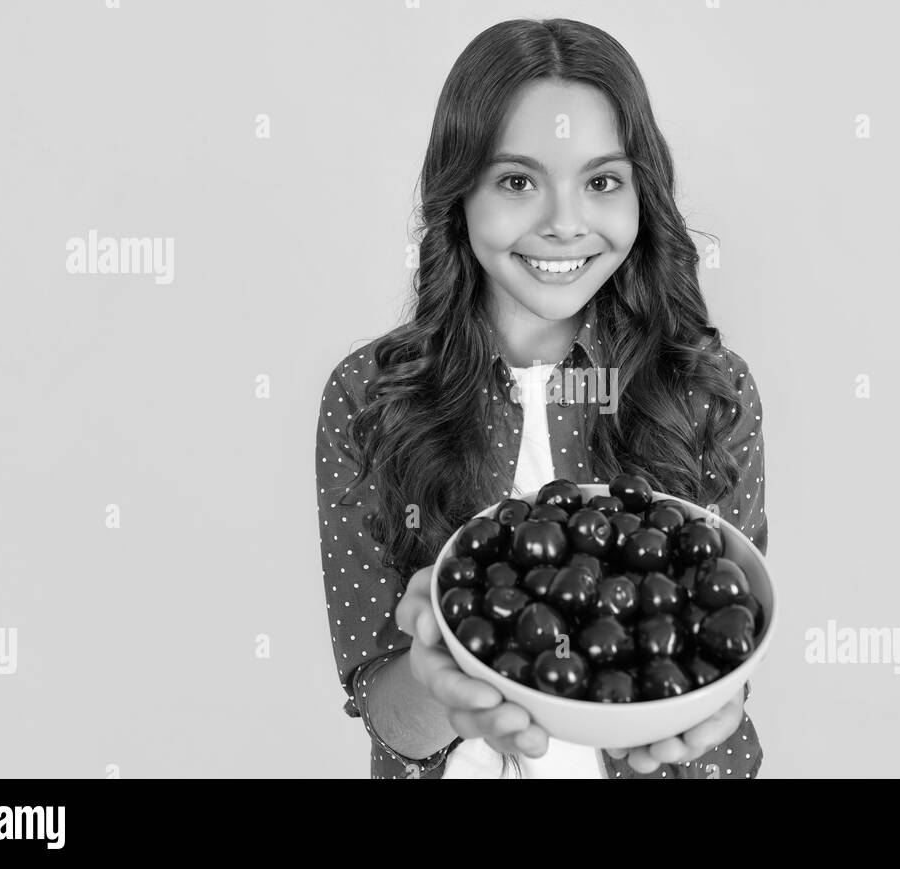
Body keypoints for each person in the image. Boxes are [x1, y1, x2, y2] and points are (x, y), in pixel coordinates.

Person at [316, 17, 768, 779]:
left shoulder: (709, 393)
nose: (564, 224)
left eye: (601, 181)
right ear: (459, 195)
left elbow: (723, 652)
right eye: (518, 181)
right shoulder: (369, 399)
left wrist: (711, 704)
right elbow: (388, 717)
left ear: (640, 196)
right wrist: (439, 680)